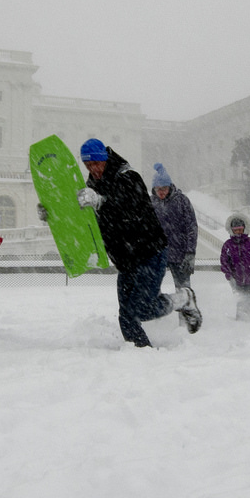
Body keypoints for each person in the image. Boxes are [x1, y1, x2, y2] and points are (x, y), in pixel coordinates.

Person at [75, 137, 201, 345]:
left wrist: (101, 202)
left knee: (141, 308)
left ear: (105, 159)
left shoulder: (128, 176)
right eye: (88, 165)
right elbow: (87, 220)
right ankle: (139, 354)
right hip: (125, 259)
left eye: (96, 163)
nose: (93, 169)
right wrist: (52, 214)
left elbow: (131, 210)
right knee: (126, 315)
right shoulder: (92, 185)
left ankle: (183, 299)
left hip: (149, 253)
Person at [150, 163, 199, 300]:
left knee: (184, 290)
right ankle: (156, 319)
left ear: (170, 186)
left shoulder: (182, 202)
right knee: (151, 289)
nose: (161, 192)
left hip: (180, 255)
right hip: (158, 254)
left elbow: (192, 228)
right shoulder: (150, 204)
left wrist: (190, 252)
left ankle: (187, 319)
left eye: (164, 188)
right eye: (158, 189)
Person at [220, 213, 250, 320]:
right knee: (241, 296)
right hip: (235, 277)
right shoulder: (228, 245)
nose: (238, 232)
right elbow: (224, 260)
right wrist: (228, 274)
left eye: (240, 230)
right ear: (231, 230)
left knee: (246, 295)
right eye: (236, 230)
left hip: (249, 275)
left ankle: (247, 316)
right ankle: (249, 315)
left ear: (245, 228)